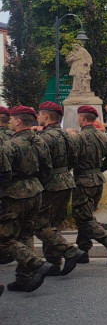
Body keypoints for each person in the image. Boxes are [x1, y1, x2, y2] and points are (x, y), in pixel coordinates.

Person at [0, 106, 56, 292]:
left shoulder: (10, 145)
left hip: (15, 194)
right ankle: (24, 277)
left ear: (17, 121)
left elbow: (5, 172)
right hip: (36, 190)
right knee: (26, 234)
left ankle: (35, 263)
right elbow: (48, 168)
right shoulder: (40, 142)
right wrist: (37, 184)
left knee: (5, 237)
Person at [31, 102, 88, 274]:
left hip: (50, 184)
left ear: (46, 116)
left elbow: (40, 164)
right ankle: (54, 262)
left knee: (40, 225)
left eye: (40, 115)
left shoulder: (44, 138)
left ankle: (70, 251)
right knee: (54, 224)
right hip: (66, 181)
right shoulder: (67, 135)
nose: (38, 118)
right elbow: (75, 158)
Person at [70, 105, 107, 265]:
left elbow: (71, 160)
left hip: (82, 182)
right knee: (85, 216)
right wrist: (99, 169)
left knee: (83, 217)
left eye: (79, 116)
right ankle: (83, 251)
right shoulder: (103, 137)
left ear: (83, 118)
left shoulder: (79, 138)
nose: (78, 119)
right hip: (97, 180)